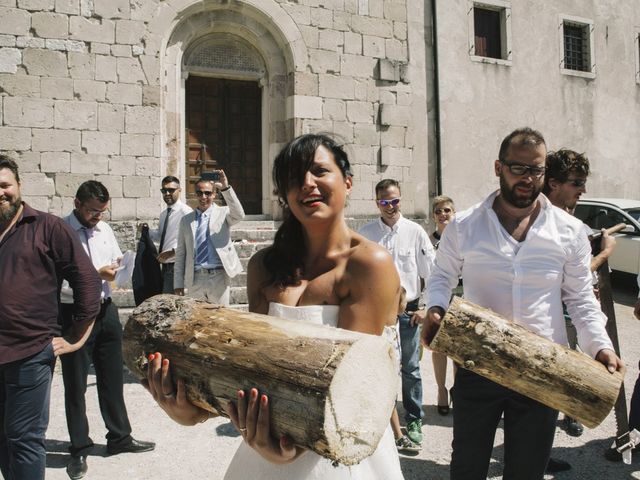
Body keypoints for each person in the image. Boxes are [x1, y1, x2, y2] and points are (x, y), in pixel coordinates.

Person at [146, 134, 405, 479]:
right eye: (295, 177)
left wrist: (287, 453)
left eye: (318, 171)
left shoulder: (370, 264)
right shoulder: (262, 267)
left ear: (347, 181)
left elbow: (353, 387)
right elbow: (252, 372)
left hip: (337, 454)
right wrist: (193, 409)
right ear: (284, 194)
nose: (307, 184)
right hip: (265, 447)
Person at [423, 128, 624, 480]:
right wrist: (436, 308)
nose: (528, 179)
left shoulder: (569, 231)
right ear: (498, 167)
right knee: (467, 469)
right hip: (477, 362)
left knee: (527, 472)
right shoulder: (465, 226)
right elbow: (442, 277)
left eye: (536, 170)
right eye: (518, 169)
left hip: (543, 367)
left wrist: (600, 347)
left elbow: (580, 299)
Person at [0, 156, 101, 480]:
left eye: (4, 185)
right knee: (3, 440)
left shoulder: (46, 227)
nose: (0, 192)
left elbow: (87, 279)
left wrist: (76, 336)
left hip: (28, 353)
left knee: (24, 438)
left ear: (18, 187)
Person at [60, 181, 155, 479]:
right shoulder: (61, 233)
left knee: (112, 375)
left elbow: (113, 265)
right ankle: (79, 447)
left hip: (106, 310)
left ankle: (119, 437)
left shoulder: (105, 230)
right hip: (73, 314)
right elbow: (55, 282)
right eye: (92, 211)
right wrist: (93, 275)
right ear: (77, 203)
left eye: (102, 211)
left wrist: (119, 268)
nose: (98, 217)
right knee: (75, 383)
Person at [542, 148, 618, 471]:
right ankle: (533, 458)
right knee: (538, 395)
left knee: (549, 397)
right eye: (577, 182)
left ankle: (539, 454)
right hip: (543, 324)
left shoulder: (572, 223)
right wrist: (604, 255)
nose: (582, 190)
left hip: (567, 322)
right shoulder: (539, 223)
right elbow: (572, 279)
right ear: (553, 183)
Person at [359, 179, 436, 449]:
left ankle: (414, 418)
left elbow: (432, 272)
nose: (390, 207)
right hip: (378, 314)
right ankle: (382, 419)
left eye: (394, 201)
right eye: (384, 202)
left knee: (411, 368)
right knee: (381, 367)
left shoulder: (415, 232)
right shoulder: (366, 233)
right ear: (376, 203)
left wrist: (425, 305)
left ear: (400, 200)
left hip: (410, 312)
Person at [173, 170, 244, 305]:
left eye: (208, 193)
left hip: (218, 277)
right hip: (195, 279)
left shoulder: (223, 213)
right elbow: (181, 254)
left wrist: (225, 188)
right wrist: (178, 284)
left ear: (214, 194)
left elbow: (239, 214)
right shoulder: (186, 220)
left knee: (220, 320)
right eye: (200, 193)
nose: (203, 197)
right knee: (197, 323)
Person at [429, 195, 458, 415]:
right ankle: (441, 390)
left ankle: (459, 390)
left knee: (459, 350)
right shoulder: (428, 242)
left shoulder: (462, 239)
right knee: (438, 348)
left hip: (459, 300)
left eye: (447, 210)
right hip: (437, 301)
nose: (443, 215)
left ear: (453, 213)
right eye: (438, 211)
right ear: (433, 216)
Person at [147, 176, 192, 293]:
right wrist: (147, 232)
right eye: (164, 190)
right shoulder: (163, 214)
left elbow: (193, 240)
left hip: (177, 265)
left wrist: (173, 252)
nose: (167, 193)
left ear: (179, 190)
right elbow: (161, 236)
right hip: (165, 266)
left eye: (171, 190)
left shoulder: (186, 212)